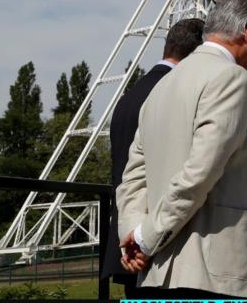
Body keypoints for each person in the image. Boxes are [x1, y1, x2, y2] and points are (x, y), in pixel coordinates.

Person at [115, 0, 247, 299]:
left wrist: (132, 237)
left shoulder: (159, 88)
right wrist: (146, 238)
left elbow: (132, 179)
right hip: (214, 274)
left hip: (157, 272)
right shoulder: (230, 78)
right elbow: (200, 172)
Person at [103, 18, 203, 298]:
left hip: (127, 236)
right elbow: (189, 161)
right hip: (157, 239)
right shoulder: (173, 93)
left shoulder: (130, 96)